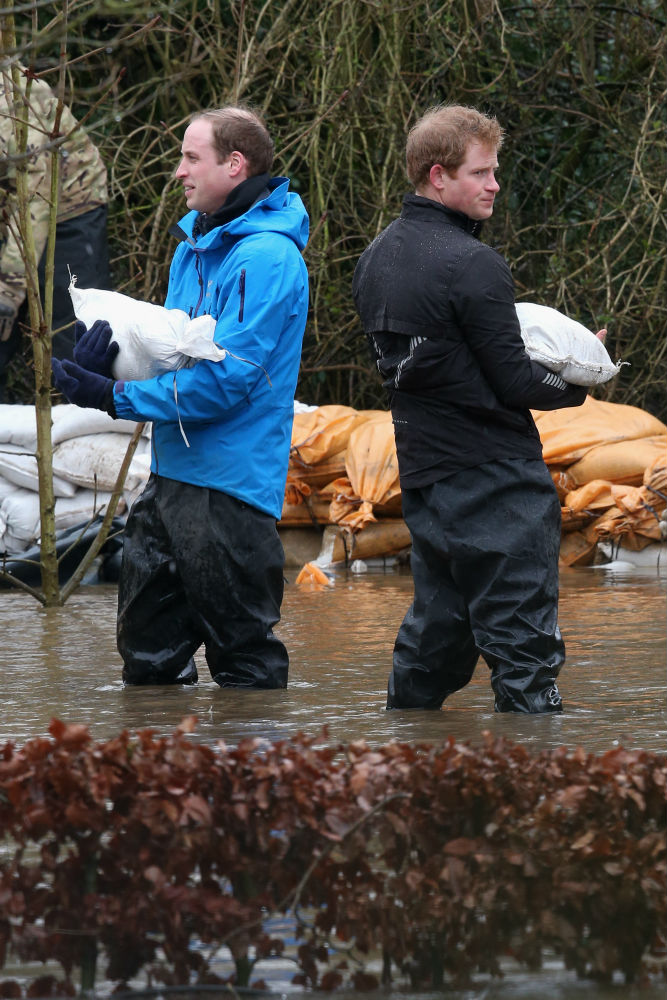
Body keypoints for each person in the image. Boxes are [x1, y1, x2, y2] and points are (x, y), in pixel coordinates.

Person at [352, 104, 603, 714]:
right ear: (438, 177)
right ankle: (532, 782)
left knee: (435, 635)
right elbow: (514, 379)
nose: (495, 185)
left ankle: (403, 759)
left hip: (426, 478)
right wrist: (581, 381)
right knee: (524, 647)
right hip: (496, 479)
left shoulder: (376, 258)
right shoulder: (474, 264)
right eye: (481, 173)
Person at [51, 105, 309, 688]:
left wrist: (116, 396)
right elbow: (175, 353)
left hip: (232, 492)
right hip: (171, 481)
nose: (178, 171)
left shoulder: (266, 258)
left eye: (192, 157)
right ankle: (162, 774)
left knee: (245, 667)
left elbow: (228, 381)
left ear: (235, 165)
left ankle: (260, 776)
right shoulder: (190, 249)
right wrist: (107, 363)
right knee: (145, 656)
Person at [0, 63, 111, 399]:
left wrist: (8, 292)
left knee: (74, 338)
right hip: (9, 208)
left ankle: (77, 431)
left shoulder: (12, 104)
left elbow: (32, 201)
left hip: (66, 208)